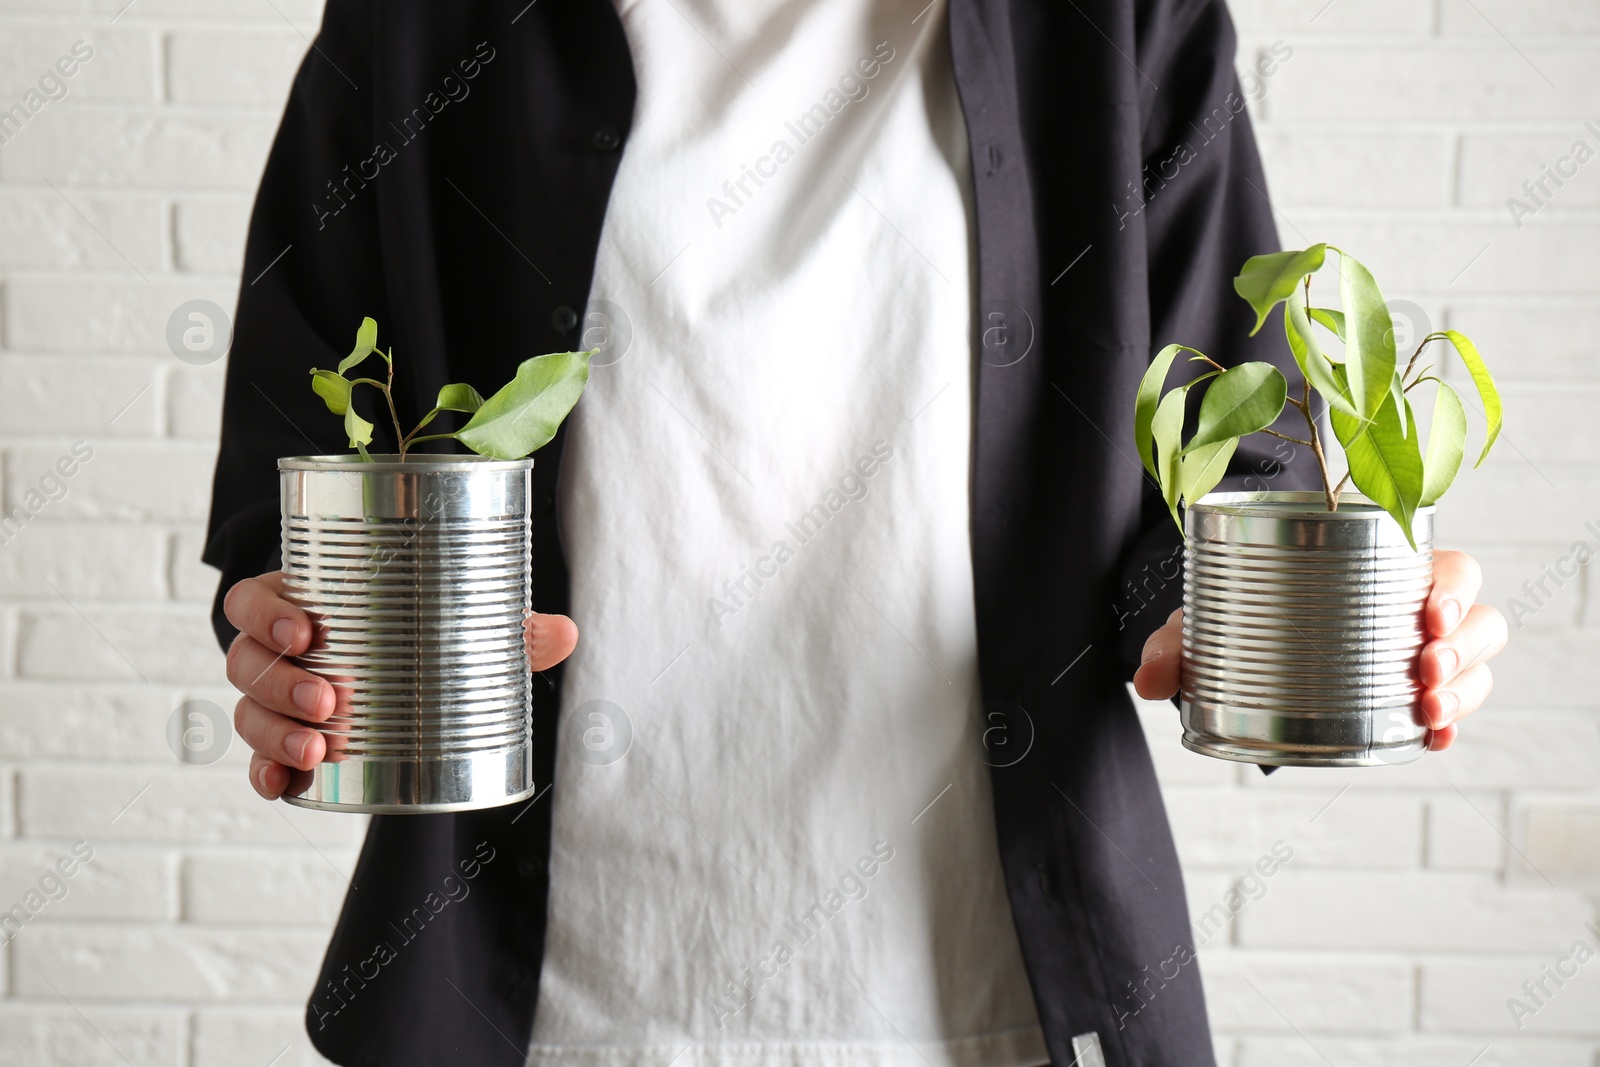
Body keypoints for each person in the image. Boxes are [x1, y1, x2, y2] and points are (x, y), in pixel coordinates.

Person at [205, 0, 1508, 1064]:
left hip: (992, 1002)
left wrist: (1305, 621)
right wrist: (290, 644)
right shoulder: (421, 26)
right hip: (545, 1009)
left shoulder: (1122, 26)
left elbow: (1232, 458)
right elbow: (293, 460)